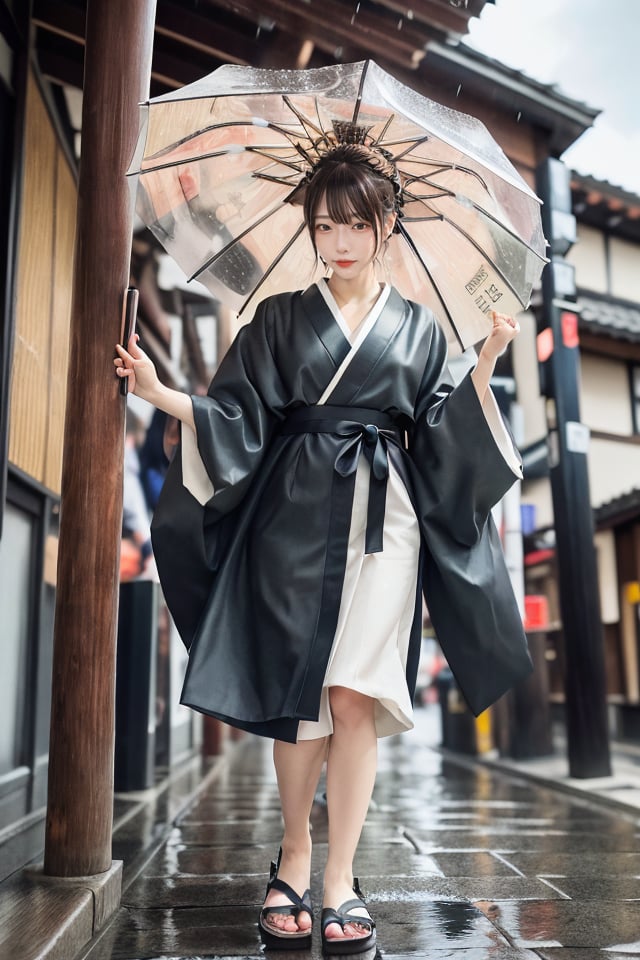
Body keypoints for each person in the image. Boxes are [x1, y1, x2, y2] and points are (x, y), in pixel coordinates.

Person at [115, 142, 532, 954]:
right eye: (325, 224)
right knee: (298, 696)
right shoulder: (276, 317)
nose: (339, 241)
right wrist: (162, 393)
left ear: (387, 228)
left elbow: (445, 438)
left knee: (353, 697)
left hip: (387, 519)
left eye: (356, 225)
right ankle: (294, 855)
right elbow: (238, 417)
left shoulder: (421, 330)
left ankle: (339, 874)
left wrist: (483, 361)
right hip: (293, 515)